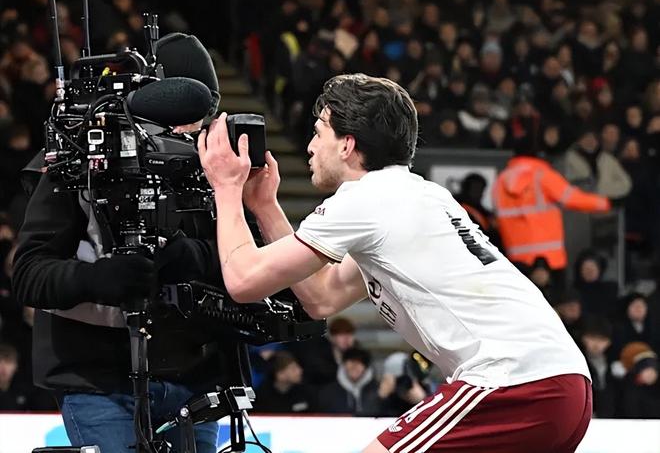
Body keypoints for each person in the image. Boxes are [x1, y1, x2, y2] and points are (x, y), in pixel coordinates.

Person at [199, 73, 593, 452]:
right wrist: (266, 207)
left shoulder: (364, 199)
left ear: (347, 145)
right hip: (563, 383)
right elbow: (322, 296)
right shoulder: (417, 195)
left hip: (515, 380)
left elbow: (244, 280)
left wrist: (226, 188)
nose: (310, 147)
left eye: (319, 133)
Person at [11, 35, 227, 453]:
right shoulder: (82, 158)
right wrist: (96, 279)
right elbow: (28, 274)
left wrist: (193, 256)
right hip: (99, 381)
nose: (191, 130)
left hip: (195, 378)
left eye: (202, 116)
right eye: (180, 115)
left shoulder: (215, 162)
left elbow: (249, 259)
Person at [493, 115, 611, 274]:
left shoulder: (501, 180)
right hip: (549, 260)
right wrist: (607, 202)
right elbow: (574, 199)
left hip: (515, 260)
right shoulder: (542, 175)